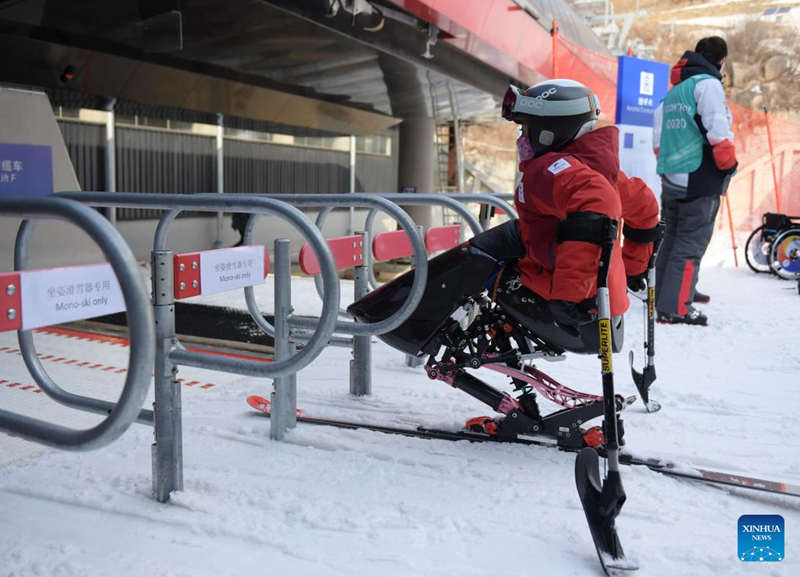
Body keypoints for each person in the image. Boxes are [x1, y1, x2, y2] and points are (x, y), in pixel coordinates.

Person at [497, 78, 661, 344]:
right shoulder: (597, 171)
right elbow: (645, 205)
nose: (522, 139)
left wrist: (569, 295)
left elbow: (596, 201)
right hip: (604, 308)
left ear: (550, 130)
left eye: (526, 129)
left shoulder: (549, 169)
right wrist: (632, 267)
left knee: (482, 265)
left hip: (569, 308)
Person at [653, 36, 738, 325]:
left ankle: (668, 295)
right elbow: (717, 130)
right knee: (691, 243)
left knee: (673, 239)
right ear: (721, 60)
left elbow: (657, 140)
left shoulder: (675, 92)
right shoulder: (708, 85)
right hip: (698, 177)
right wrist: (729, 165)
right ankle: (675, 307)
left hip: (671, 176)